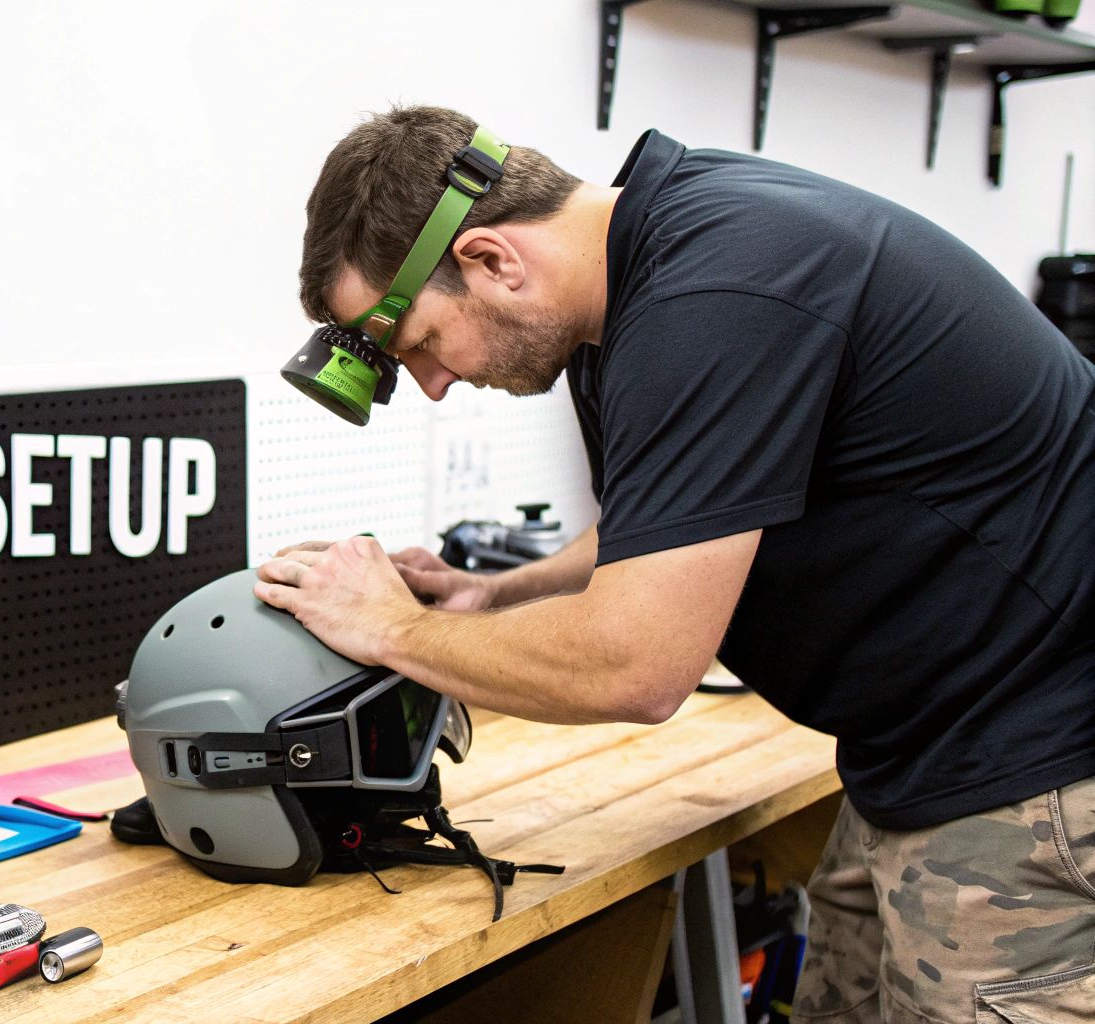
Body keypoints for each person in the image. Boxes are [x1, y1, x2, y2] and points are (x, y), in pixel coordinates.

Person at [254, 106, 1095, 1023]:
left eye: (419, 345)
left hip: (1036, 772)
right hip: (926, 747)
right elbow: (680, 516)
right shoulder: (644, 276)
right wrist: (491, 593)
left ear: (492, 260)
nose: (435, 384)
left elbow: (638, 665)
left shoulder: (716, 293)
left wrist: (393, 628)